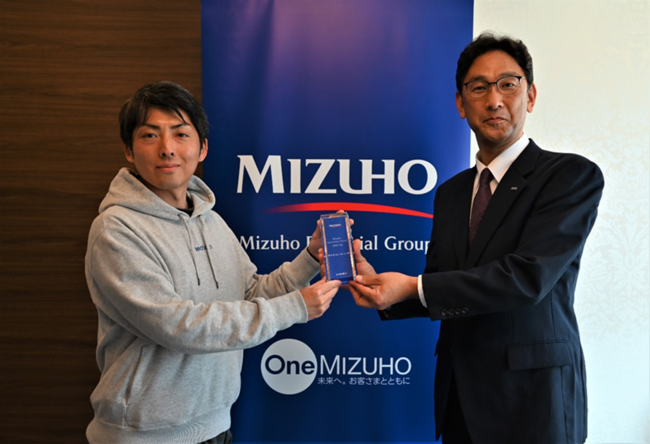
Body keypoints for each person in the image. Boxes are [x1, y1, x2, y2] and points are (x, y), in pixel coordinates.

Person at [348, 33, 604, 443]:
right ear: (460, 103)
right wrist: (384, 291)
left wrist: (412, 286)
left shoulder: (569, 176)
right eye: (479, 87)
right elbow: (442, 280)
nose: (494, 100)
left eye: (508, 84)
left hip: (532, 400)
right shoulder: (451, 193)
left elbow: (527, 278)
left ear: (530, 96)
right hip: (460, 399)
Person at [84, 81, 341, 444]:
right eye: (150, 135)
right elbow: (177, 326)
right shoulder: (116, 229)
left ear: (202, 148)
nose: (167, 148)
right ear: (129, 149)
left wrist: (311, 258)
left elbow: (250, 292)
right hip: (145, 436)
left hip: (215, 426)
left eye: (180, 134)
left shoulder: (211, 221)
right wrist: (294, 309)